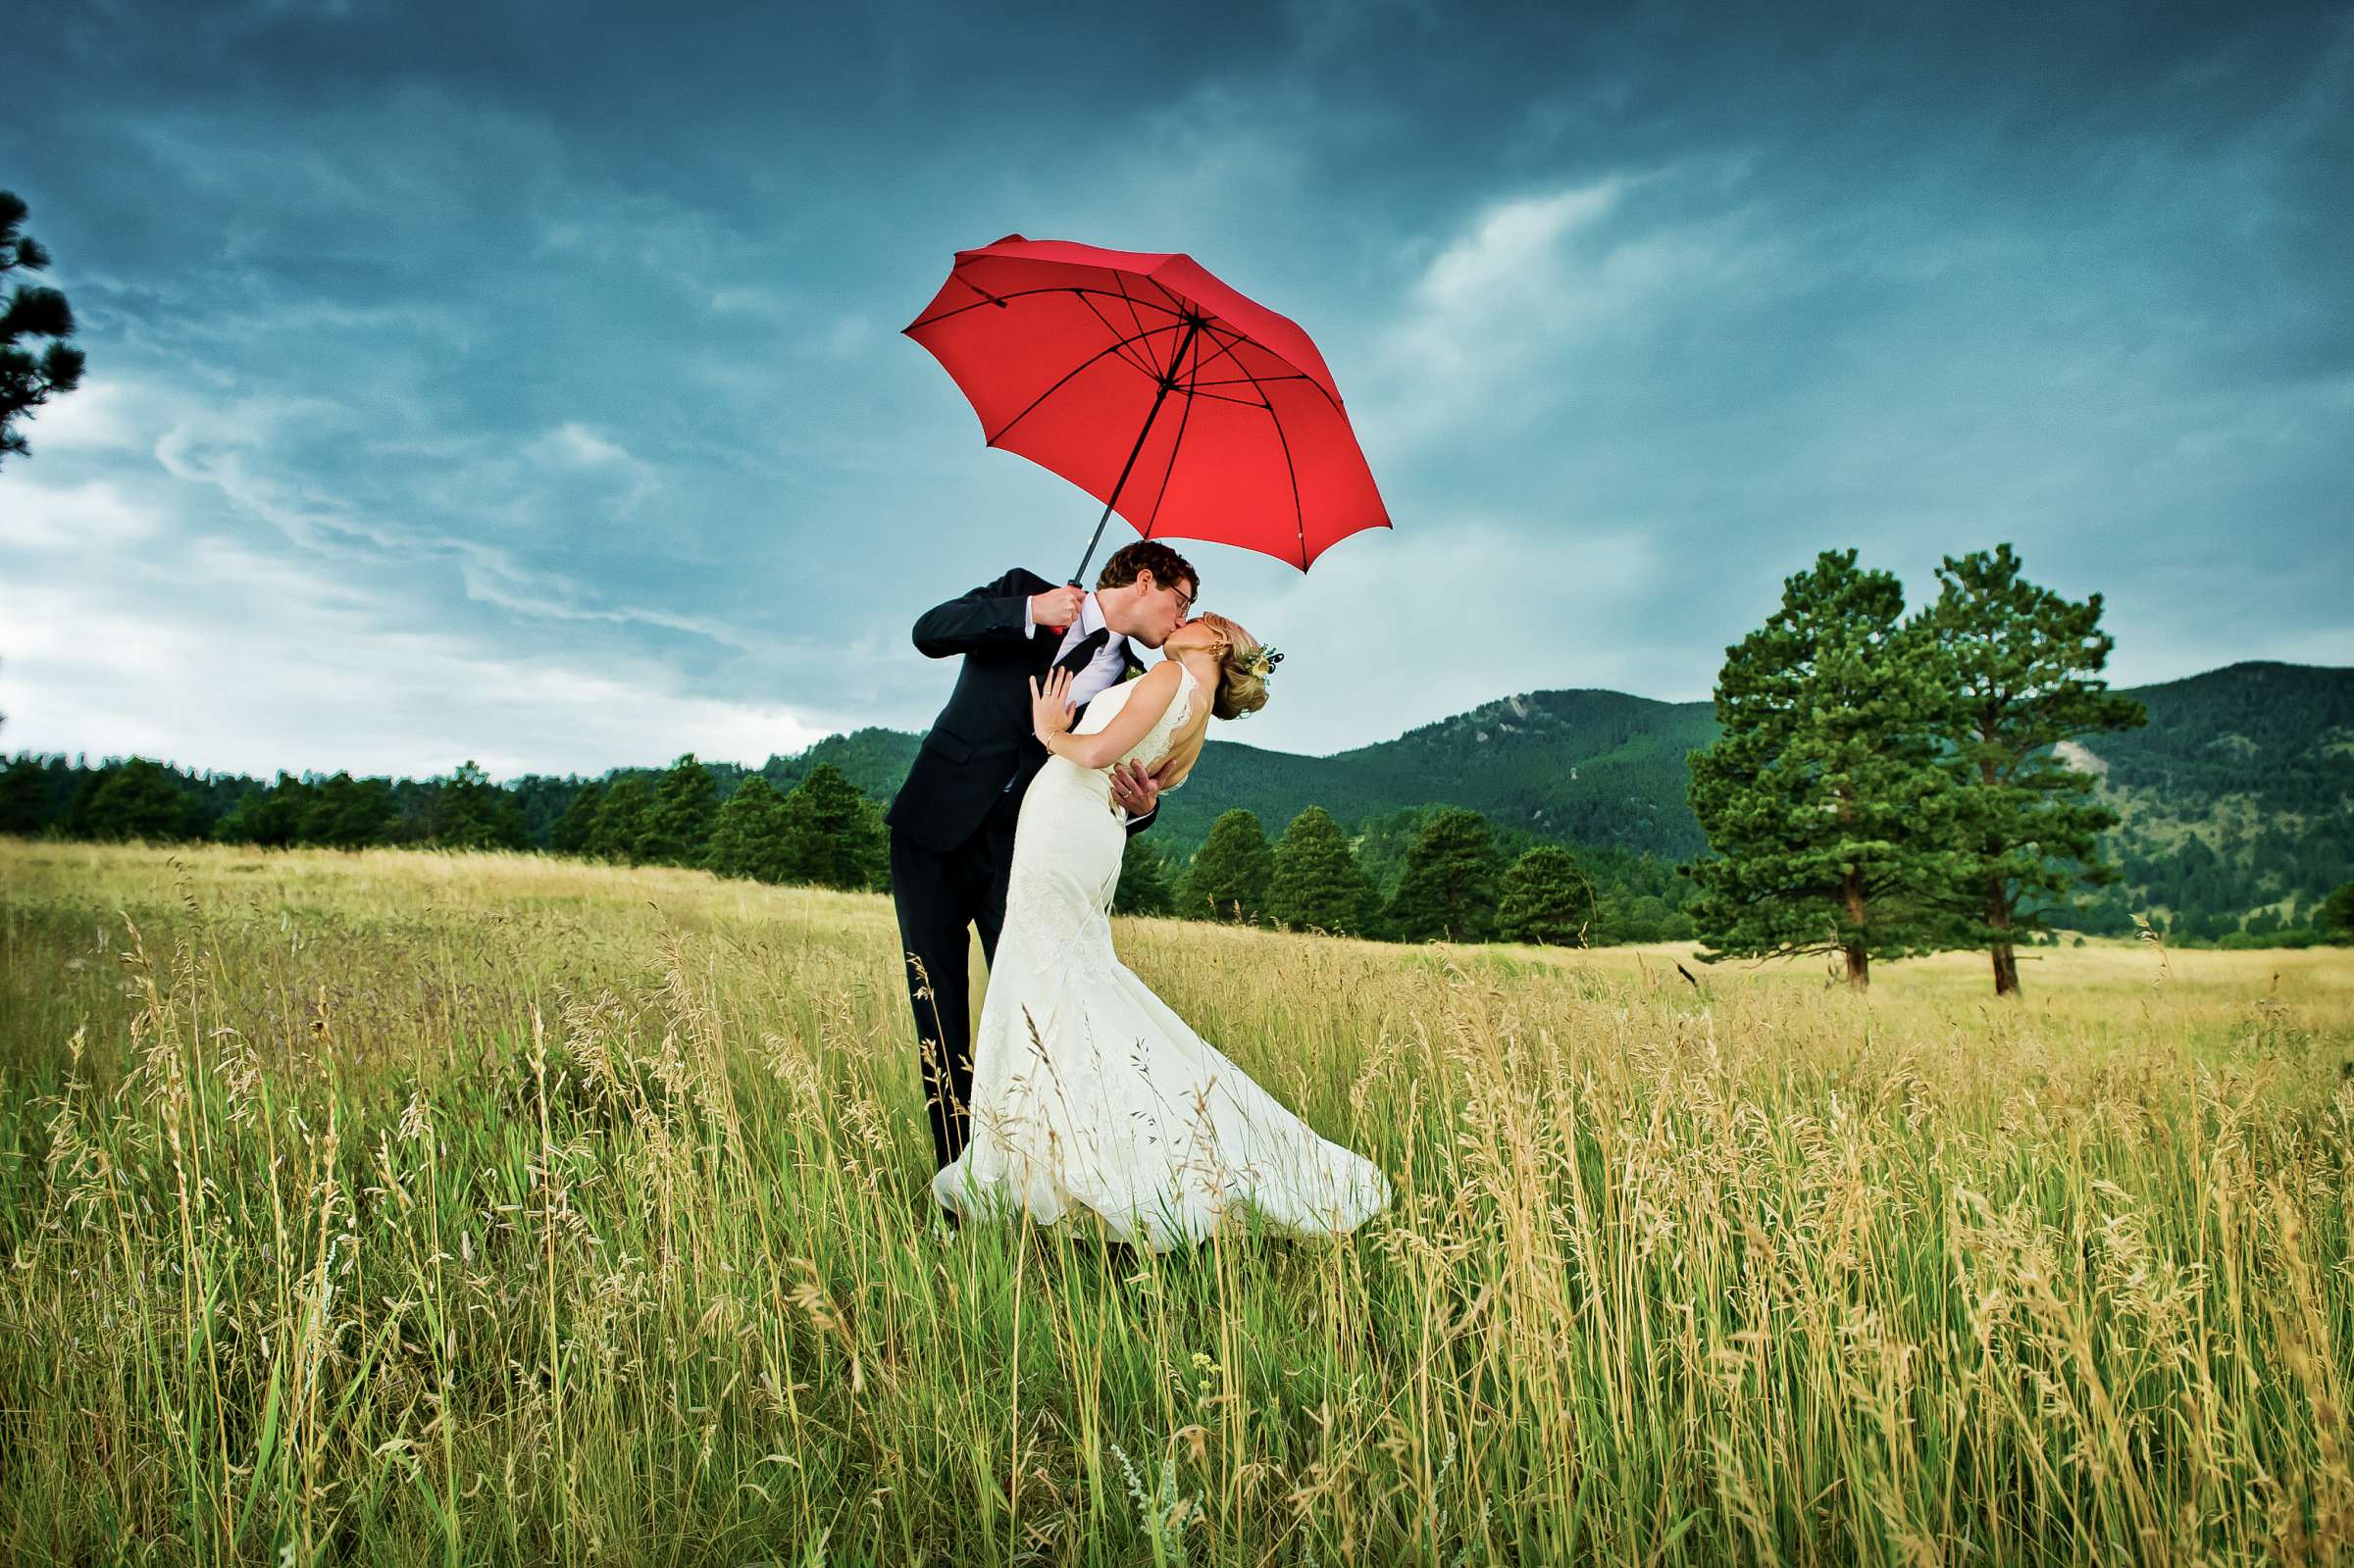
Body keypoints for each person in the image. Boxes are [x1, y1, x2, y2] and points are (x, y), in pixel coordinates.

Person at [931, 611, 1392, 1251]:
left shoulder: (1175, 674)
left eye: (1198, 614)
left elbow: (1092, 752)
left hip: (1068, 819)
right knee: (1070, 986)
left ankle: (1067, 1164)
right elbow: (1141, 788)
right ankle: (1068, 1155)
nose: (1185, 618)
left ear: (1215, 640)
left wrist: (1047, 730)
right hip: (1092, 831)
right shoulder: (1197, 712)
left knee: (1045, 984)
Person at [888, 541, 1198, 1183]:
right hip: (933, 831)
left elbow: (1117, 778)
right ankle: (959, 1188)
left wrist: (1141, 808)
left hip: (1026, 860)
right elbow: (929, 631)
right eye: (1180, 600)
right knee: (939, 1017)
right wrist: (1030, 609)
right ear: (1144, 580)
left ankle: (1052, 1180)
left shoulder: (1137, 684)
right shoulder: (1025, 591)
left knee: (1036, 1019)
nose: (1183, 618)